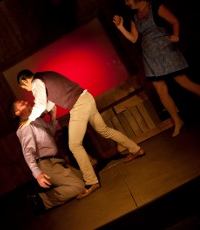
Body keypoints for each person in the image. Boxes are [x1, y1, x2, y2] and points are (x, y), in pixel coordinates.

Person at [16, 69, 146, 199]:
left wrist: (28, 120)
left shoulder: (36, 82)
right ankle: (136, 149)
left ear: (25, 80)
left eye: (25, 87)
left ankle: (91, 182)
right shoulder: (45, 76)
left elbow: (39, 105)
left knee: (74, 145)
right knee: (104, 130)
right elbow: (49, 102)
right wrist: (44, 113)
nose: (28, 90)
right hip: (86, 97)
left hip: (78, 105)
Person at [113, 0, 200, 137]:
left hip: (166, 50)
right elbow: (133, 38)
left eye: (127, 0)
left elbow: (174, 21)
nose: (126, 3)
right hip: (150, 56)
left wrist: (176, 35)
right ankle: (177, 121)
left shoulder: (155, 7)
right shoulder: (134, 16)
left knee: (184, 82)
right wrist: (120, 27)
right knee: (160, 89)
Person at [11, 99, 85, 216]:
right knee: (79, 186)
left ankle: (43, 197)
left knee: (85, 179)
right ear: (18, 113)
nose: (26, 102)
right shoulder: (25, 128)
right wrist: (38, 174)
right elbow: (28, 152)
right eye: (22, 104)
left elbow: (49, 133)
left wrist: (53, 116)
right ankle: (41, 200)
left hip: (55, 161)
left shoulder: (36, 120)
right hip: (46, 164)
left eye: (25, 101)